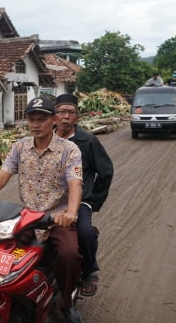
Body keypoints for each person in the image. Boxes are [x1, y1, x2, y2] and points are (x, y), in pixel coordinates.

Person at [0, 97, 84, 323]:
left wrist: (71, 213)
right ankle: (8, 293)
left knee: (69, 254)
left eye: (42, 119)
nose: (36, 124)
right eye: (32, 119)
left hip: (55, 218)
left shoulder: (70, 149)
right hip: (26, 218)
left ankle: (66, 303)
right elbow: (3, 175)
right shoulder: (19, 146)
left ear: (54, 120)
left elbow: (75, 182)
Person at [54, 93, 114, 298]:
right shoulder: (47, 139)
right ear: (54, 116)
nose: (65, 117)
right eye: (61, 112)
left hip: (80, 201)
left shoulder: (87, 141)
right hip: (50, 201)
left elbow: (105, 171)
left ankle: (89, 271)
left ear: (77, 118)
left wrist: (93, 200)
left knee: (85, 231)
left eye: (71, 113)